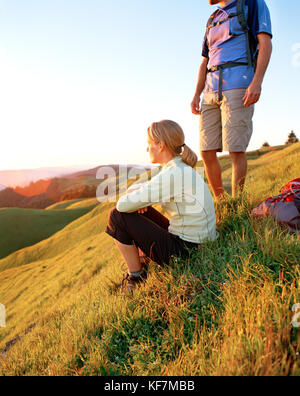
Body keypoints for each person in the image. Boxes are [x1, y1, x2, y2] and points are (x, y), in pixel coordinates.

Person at [105, 120, 218, 292]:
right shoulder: (176, 167)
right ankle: (141, 262)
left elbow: (122, 206)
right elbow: (145, 189)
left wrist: (133, 200)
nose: (147, 149)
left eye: (149, 144)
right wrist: (136, 199)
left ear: (160, 145)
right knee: (139, 210)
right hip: (198, 241)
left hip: (187, 251)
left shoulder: (172, 173)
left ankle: (136, 277)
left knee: (116, 216)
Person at [191, 0, 273, 199]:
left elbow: (265, 44)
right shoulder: (213, 18)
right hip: (210, 91)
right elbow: (205, 60)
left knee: (236, 149)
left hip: (238, 84)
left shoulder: (252, 4)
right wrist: (196, 93)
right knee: (206, 150)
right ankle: (221, 203)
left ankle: (238, 203)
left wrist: (257, 82)